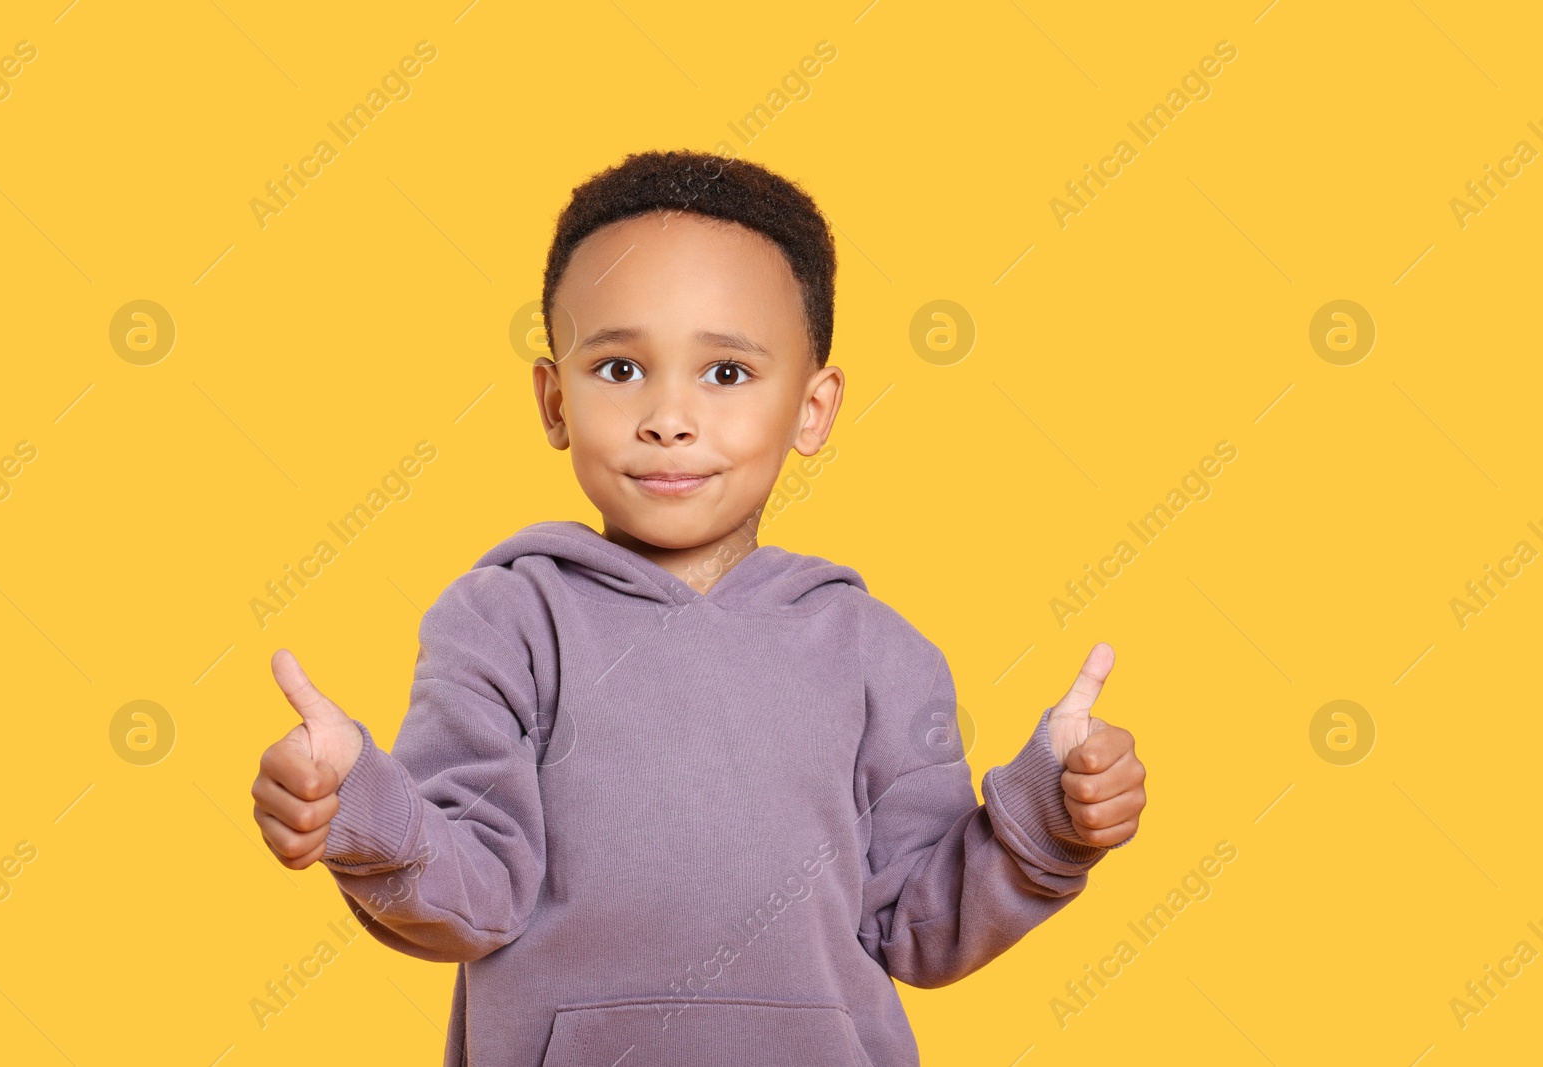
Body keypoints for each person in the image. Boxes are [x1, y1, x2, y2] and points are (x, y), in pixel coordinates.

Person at [250, 148, 1146, 1067]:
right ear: (554, 400)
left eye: (725, 373)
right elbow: (471, 898)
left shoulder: (879, 651)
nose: (668, 416)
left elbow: (921, 925)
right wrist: (358, 798)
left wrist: (1052, 818)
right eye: (619, 368)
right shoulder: (503, 624)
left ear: (813, 407)